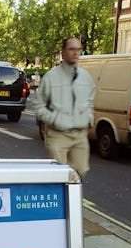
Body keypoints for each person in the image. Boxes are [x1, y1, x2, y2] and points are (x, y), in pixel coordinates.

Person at [31, 37, 95, 180]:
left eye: (78, 49)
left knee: (81, 173)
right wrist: (54, 119)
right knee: (59, 177)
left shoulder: (85, 77)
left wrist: (88, 117)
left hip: (80, 134)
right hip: (58, 134)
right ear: (63, 52)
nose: (75, 53)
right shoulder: (51, 77)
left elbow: (90, 100)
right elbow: (38, 104)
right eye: (71, 49)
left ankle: (71, 201)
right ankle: (61, 202)